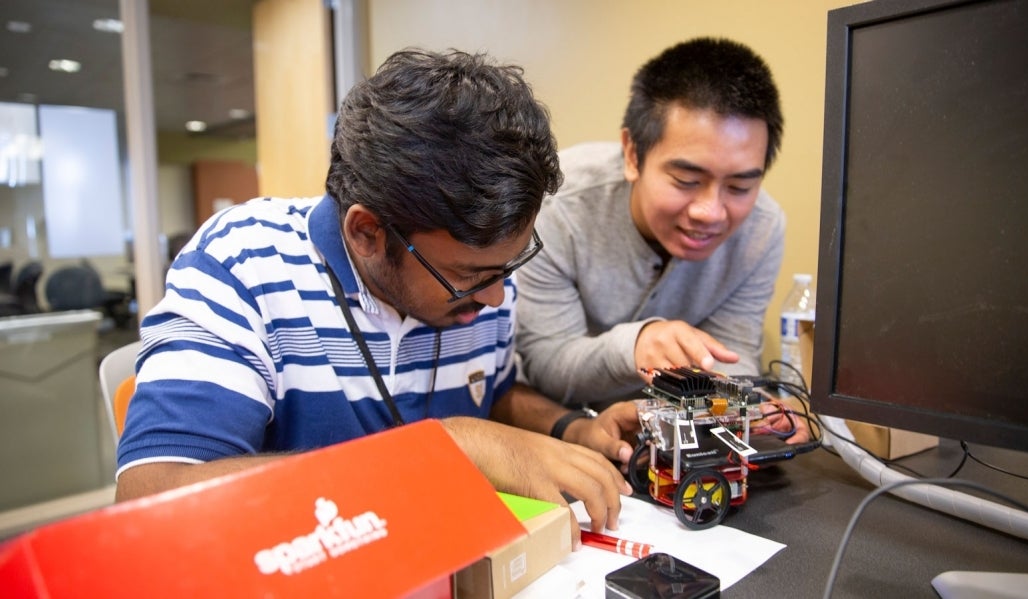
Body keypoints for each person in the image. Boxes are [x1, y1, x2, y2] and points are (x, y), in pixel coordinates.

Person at [115, 49, 638, 544]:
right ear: (367, 233)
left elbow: (492, 395)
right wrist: (441, 451)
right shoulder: (243, 263)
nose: (498, 297)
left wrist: (572, 428)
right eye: (470, 275)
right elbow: (152, 500)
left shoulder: (482, 275)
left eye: (508, 266)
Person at [515, 37, 808, 442]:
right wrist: (635, 344)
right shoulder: (555, 204)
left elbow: (733, 357)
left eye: (740, 187)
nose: (711, 212)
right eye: (687, 181)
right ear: (633, 155)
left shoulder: (762, 229)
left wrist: (754, 407)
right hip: (561, 435)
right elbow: (546, 366)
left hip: (671, 444)